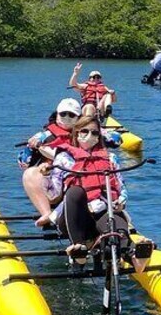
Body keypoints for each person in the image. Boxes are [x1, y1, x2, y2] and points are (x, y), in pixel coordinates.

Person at [47, 115, 153, 273]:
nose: (90, 136)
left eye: (95, 133)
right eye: (84, 131)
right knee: (74, 192)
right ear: (76, 134)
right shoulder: (63, 159)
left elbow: (120, 185)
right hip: (75, 218)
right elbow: (53, 195)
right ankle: (79, 250)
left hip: (102, 211)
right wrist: (46, 176)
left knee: (114, 220)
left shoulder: (110, 159)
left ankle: (134, 257)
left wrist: (121, 201)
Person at [20, 98, 81, 227]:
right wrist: (31, 147)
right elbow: (23, 162)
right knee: (29, 173)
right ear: (57, 115)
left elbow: (116, 140)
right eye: (63, 114)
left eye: (72, 115)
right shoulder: (43, 136)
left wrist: (101, 135)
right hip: (52, 187)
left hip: (79, 182)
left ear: (78, 118)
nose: (67, 117)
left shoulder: (87, 133)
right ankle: (46, 213)